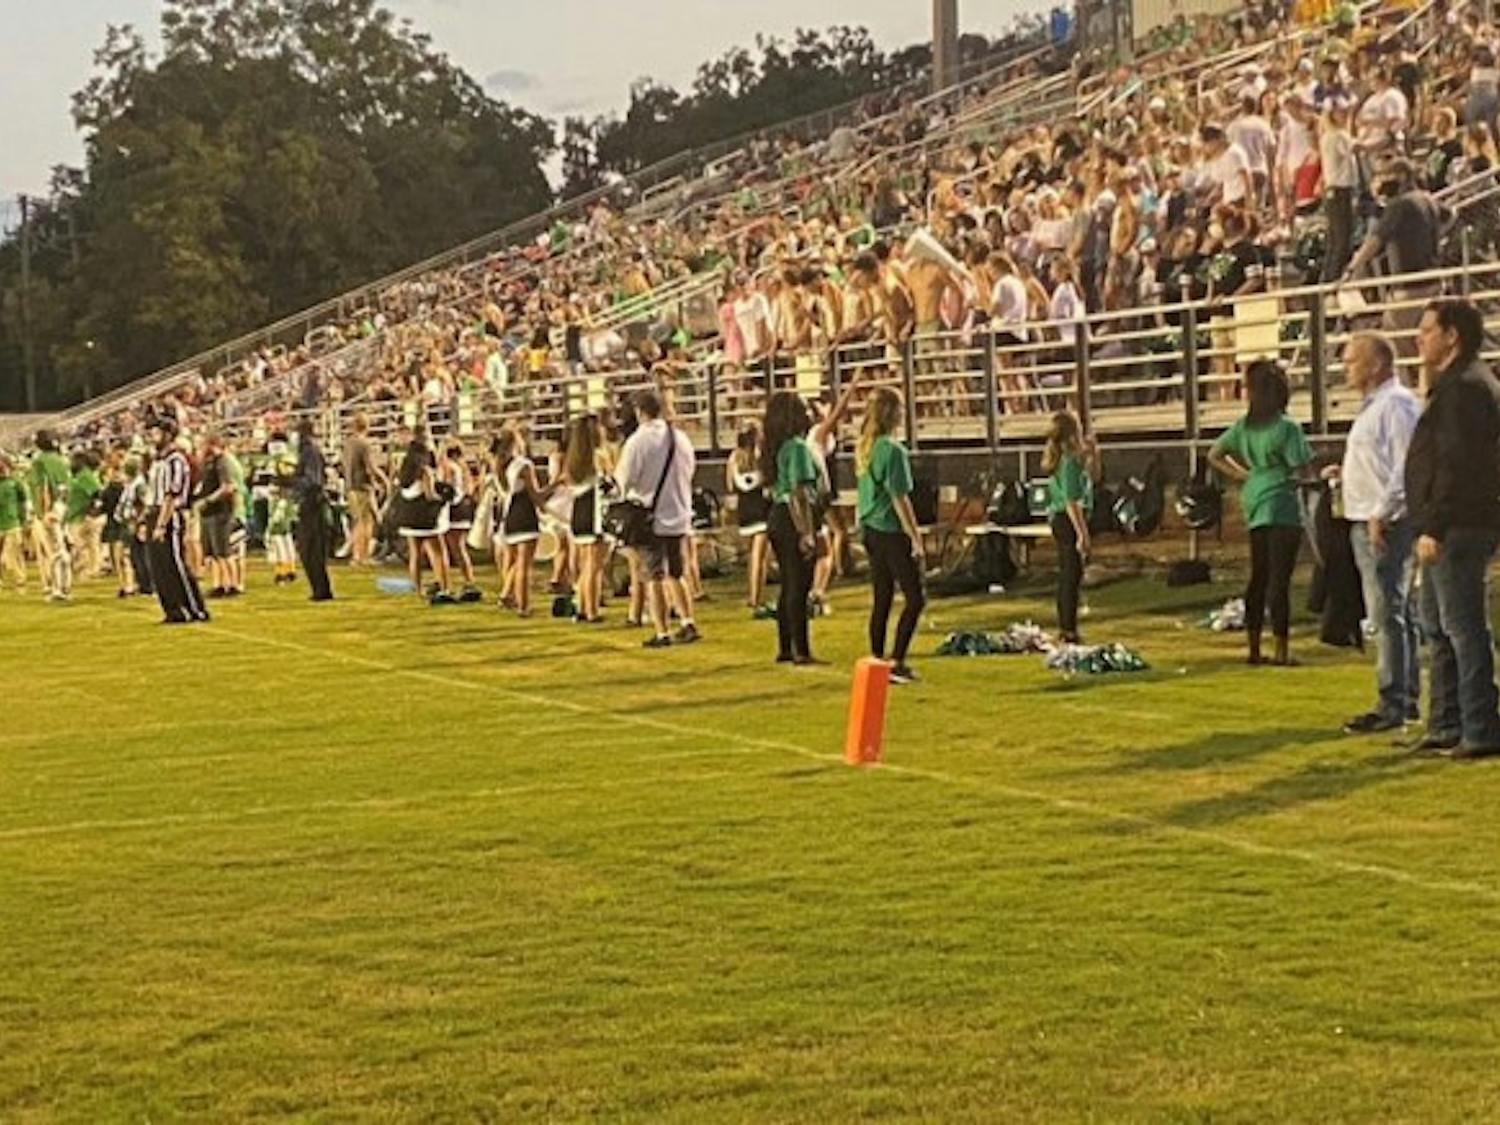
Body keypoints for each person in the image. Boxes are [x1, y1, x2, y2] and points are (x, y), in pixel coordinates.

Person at [1405, 300, 1500, 758]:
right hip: (1449, 521)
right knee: (1437, 626)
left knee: (1462, 627)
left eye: (1426, 330)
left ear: (1452, 335)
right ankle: (1446, 721)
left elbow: (1457, 466)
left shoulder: (1465, 388)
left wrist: (1436, 525)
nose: (1418, 338)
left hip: (1457, 525)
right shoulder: (1459, 383)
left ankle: (1479, 727)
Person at [1327, 334, 1422, 735]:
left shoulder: (1395, 405)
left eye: (1353, 361)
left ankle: (1393, 701)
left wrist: (1382, 511)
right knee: (1393, 612)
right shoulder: (1377, 407)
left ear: (1377, 364)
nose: (1346, 368)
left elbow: (1406, 465)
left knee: (1386, 612)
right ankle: (1404, 695)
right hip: (1368, 517)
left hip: (1383, 522)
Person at [1209, 360, 1312, 667]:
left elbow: (1215, 454)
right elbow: (1301, 468)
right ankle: (1281, 649)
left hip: (1254, 498)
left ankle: (1253, 647)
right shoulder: (1287, 428)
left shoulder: (1243, 427)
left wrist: (1244, 476)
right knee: (1279, 579)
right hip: (1281, 500)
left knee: (1259, 575)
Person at [616, 389, 699, 648]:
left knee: (654, 575)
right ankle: (687, 621)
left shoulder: (638, 442)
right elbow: (690, 469)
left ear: (640, 413)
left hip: (650, 514)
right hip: (678, 511)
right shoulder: (680, 437)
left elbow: (624, 479)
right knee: (677, 572)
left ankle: (662, 631)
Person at [856, 387, 926, 684]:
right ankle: (897, 660)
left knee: (882, 596)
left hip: (870, 527)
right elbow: (900, 498)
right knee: (915, 597)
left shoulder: (865, 447)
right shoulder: (894, 450)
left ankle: (877, 657)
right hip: (889, 529)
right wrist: (915, 536)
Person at [761, 391, 822, 665]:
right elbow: (800, 493)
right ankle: (802, 649)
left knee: (788, 583)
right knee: (800, 584)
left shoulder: (775, 448)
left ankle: (786, 646)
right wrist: (806, 532)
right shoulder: (797, 447)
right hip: (791, 516)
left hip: (777, 515)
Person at [147, 418, 210, 625]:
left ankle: (193, 608)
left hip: (169, 515)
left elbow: (172, 495)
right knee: (159, 567)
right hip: (155, 512)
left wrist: (161, 524)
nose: (151, 437)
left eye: (155, 433)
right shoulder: (158, 460)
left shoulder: (176, 460)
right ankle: (172, 609)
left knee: (175, 564)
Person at [1042, 411, 1094, 645]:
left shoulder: (1068, 459)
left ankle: (1067, 626)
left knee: (1070, 574)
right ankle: (1068, 629)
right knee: (1071, 575)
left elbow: (1093, 479)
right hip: (1067, 519)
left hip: (1062, 518)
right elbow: (1072, 500)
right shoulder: (1069, 462)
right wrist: (1082, 533)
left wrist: (1093, 457)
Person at [562, 415, 609, 624]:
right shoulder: (599, 456)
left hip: (578, 511)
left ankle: (581, 605)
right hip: (594, 512)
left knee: (585, 563)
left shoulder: (572, 460)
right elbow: (612, 481)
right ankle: (591, 610)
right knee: (594, 565)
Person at [727, 426, 770, 613]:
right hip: (761, 510)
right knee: (759, 557)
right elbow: (766, 480)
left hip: (744, 511)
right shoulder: (761, 458)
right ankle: (756, 598)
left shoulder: (733, 458)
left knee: (754, 556)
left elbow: (730, 485)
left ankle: (753, 595)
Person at [293, 420, 334, 602]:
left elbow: (313, 481)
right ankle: (319, 589)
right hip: (311, 502)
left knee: (311, 550)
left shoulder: (309, 451)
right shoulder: (309, 450)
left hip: (312, 503)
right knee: (310, 550)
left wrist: (291, 481)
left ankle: (321, 590)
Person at [28, 430, 71, 601]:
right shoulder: (61, 460)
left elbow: (42, 487)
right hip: (62, 507)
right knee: (60, 548)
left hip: (49, 509)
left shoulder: (40, 461)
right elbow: (65, 487)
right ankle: (65, 586)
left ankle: (58, 589)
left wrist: (46, 511)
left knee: (53, 552)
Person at [343, 413, 385, 566]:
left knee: (358, 522)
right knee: (366, 522)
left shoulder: (348, 443)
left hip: (350, 486)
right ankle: (362, 556)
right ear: (367, 426)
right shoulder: (364, 444)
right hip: (362, 486)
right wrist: (384, 480)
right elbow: (371, 467)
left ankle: (356, 555)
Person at [0, 453, 30, 593]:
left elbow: (24, 502)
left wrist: (25, 521)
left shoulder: (15, 482)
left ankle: (20, 581)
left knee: (13, 556)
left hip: (12, 523)